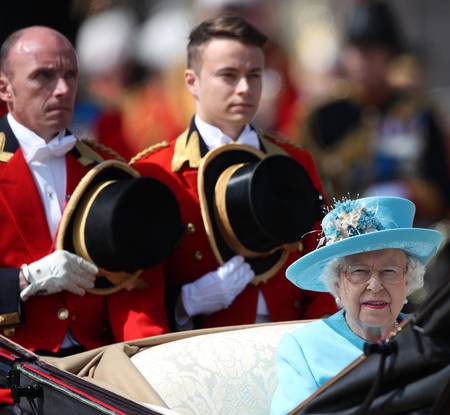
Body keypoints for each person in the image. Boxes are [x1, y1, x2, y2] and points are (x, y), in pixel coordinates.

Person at [131, 15, 337, 330]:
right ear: (192, 82)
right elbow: (137, 298)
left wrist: (319, 341)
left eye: (254, 75)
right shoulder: (155, 172)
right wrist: (185, 302)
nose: (244, 89)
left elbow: (325, 265)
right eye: (228, 75)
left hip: (294, 342)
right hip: (199, 351)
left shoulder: (295, 160)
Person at [0, 26, 169, 355]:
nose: (62, 89)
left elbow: (134, 282)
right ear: (5, 88)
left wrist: (146, 358)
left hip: (95, 367)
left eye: (70, 75)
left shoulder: (106, 168)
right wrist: (25, 279)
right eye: (43, 76)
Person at [298, 0, 450, 298]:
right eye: (358, 52)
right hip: (344, 245)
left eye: (375, 52)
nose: (365, 62)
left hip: (413, 243)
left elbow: (446, 190)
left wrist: (407, 193)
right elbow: (306, 189)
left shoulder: (420, 113)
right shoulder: (322, 118)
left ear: (390, 56)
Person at [270, 196, 443, 414]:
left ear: (408, 280)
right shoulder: (304, 348)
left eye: (389, 271)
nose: (375, 285)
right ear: (336, 283)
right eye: (358, 271)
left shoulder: (428, 338)